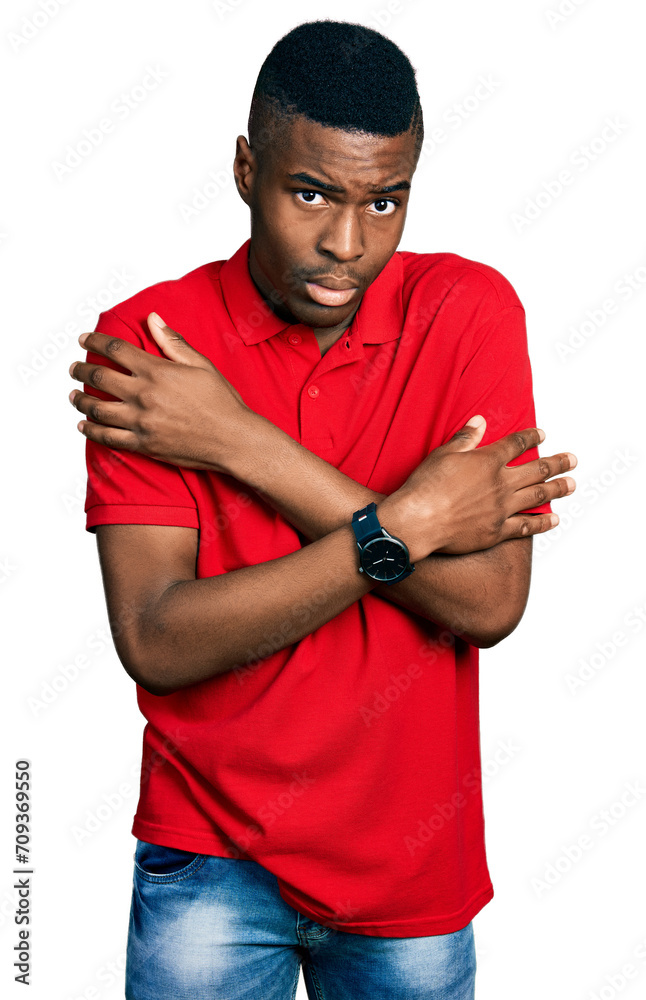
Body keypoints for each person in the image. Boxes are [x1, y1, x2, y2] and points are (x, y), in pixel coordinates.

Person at [68, 19, 576, 1000]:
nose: (348, 245)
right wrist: (413, 523)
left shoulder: (467, 312)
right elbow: (158, 638)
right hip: (208, 852)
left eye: (384, 202)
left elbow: (489, 604)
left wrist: (235, 440)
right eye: (311, 194)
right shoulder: (153, 345)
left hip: (410, 866)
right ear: (244, 169)